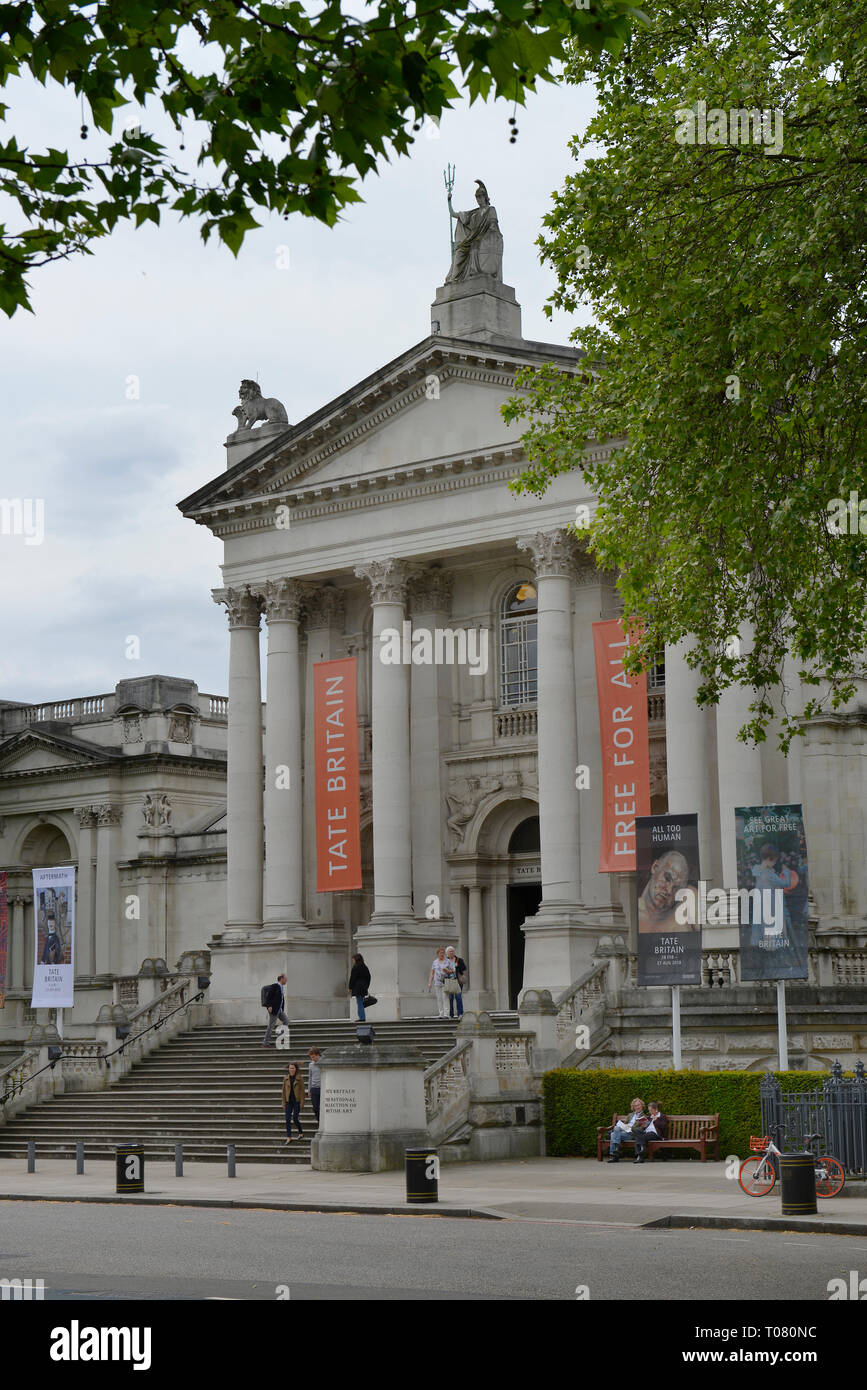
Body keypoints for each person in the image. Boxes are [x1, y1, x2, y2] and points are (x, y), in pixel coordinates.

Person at [638, 851, 696, 932]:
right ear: (655, 867)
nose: (669, 891)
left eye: (676, 888)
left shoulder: (685, 913)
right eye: (667, 878)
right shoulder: (633, 913)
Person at [605, 1097, 647, 1162]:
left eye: (638, 1105)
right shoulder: (630, 1115)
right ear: (633, 1107)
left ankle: (614, 1154)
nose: (637, 1107)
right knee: (615, 1130)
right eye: (635, 1105)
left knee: (613, 1134)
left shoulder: (644, 1116)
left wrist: (631, 1128)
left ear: (642, 1106)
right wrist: (625, 1125)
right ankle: (616, 1151)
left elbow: (641, 1128)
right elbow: (625, 1123)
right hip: (624, 1132)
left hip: (632, 1134)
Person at [262, 973, 289, 1046]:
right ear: (282, 979)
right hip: (273, 1010)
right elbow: (268, 997)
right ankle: (265, 1042)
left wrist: (281, 1009)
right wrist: (269, 1006)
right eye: (285, 979)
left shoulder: (281, 987)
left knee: (286, 1021)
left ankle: (280, 1037)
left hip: (279, 1010)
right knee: (271, 1026)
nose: (286, 981)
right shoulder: (274, 986)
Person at [282, 1062, 305, 1144]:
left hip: (297, 1101)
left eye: (293, 1068)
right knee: (287, 1119)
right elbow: (283, 1092)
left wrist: (302, 1103)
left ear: (296, 1069)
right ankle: (289, 1137)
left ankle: (300, 1132)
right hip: (288, 1101)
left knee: (295, 1118)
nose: (291, 1070)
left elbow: (302, 1092)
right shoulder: (286, 1078)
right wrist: (283, 1102)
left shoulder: (300, 1078)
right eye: (290, 1068)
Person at [428, 946, 451, 1018]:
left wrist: (447, 971)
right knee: (439, 998)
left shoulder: (448, 961)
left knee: (445, 997)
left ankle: (446, 1014)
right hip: (437, 982)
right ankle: (441, 1013)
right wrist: (430, 982)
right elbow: (432, 973)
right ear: (437, 954)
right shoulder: (435, 962)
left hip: (445, 981)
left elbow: (452, 971)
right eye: (440, 953)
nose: (442, 954)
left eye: (443, 953)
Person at [444, 946, 466, 1019]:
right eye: (450, 951)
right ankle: (451, 1014)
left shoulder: (459, 960)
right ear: (447, 953)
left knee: (458, 997)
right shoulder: (445, 961)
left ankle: (460, 1013)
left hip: (458, 981)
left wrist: (458, 966)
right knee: (450, 998)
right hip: (449, 981)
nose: (451, 952)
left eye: (452, 951)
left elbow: (464, 968)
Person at [348, 953, 370, 1021]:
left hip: (358, 988)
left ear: (356, 960)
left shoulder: (356, 967)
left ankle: (362, 1018)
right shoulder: (365, 967)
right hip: (363, 987)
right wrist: (366, 985)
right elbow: (369, 977)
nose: (353, 961)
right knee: (360, 1002)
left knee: (359, 1003)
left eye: (353, 960)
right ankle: (362, 1017)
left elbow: (353, 978)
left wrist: (350, 987)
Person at [308, 1048, 322, 1126]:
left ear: (318, 1055)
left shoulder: (324, 1062)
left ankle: (322, 1124)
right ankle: (319, 1123)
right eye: (311, 1057)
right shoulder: (311, 1064)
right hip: (313, 1089)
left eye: (313, 1057)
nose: (312, 1058)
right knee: (315, 1108)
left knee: (321, 1108)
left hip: (322, 1088)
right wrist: (309, 1089)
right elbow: (310, 1077)